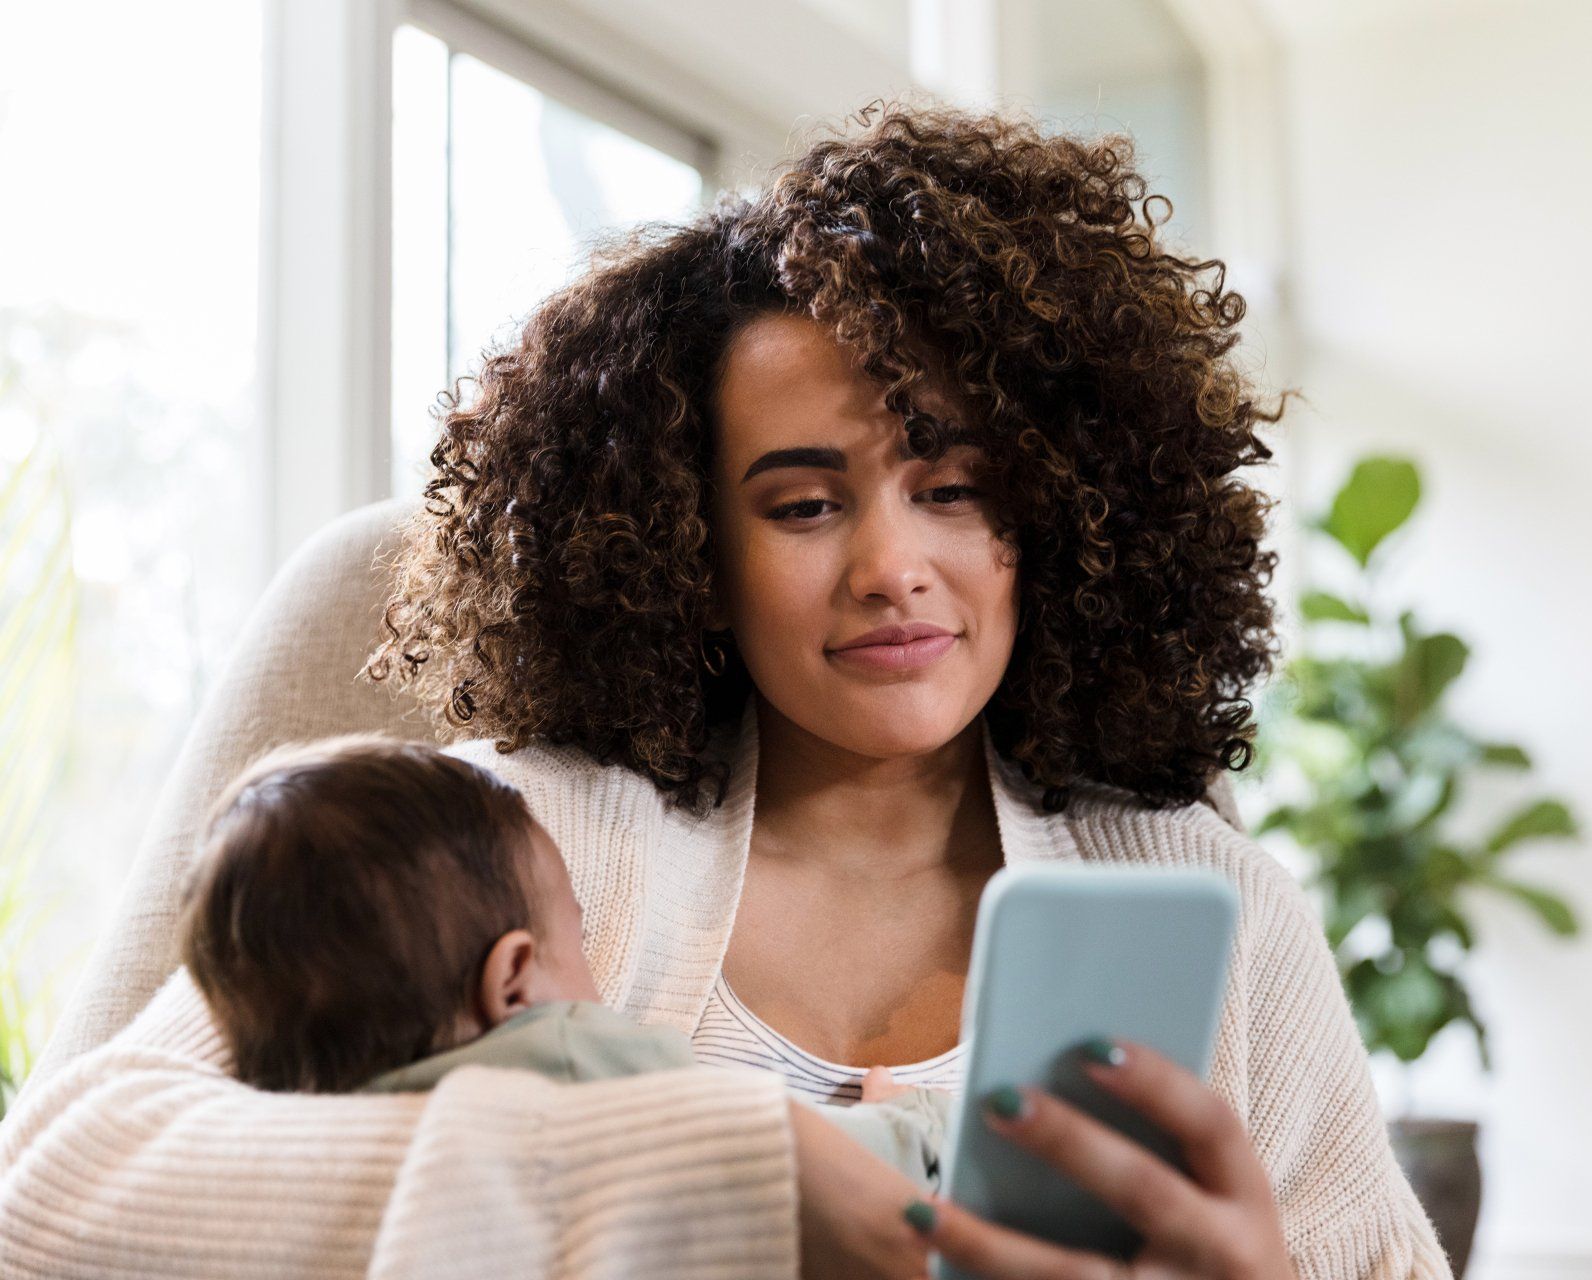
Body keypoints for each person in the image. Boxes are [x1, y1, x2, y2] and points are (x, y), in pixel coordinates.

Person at [0, 102, 1450, 1278]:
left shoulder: (1223, 917)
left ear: (1057, 517)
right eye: (805, 507)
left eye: (952, 487)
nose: (893, 566)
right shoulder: (518, 849)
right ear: (689, 546)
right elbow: (53, 1199)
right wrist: (730, 1177)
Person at [176, 735, 950, 1191]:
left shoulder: (310, 1120)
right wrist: (905, 1121)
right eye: (575, 938)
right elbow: (787, 1162)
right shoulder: (571, 1061)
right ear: (513, 979)